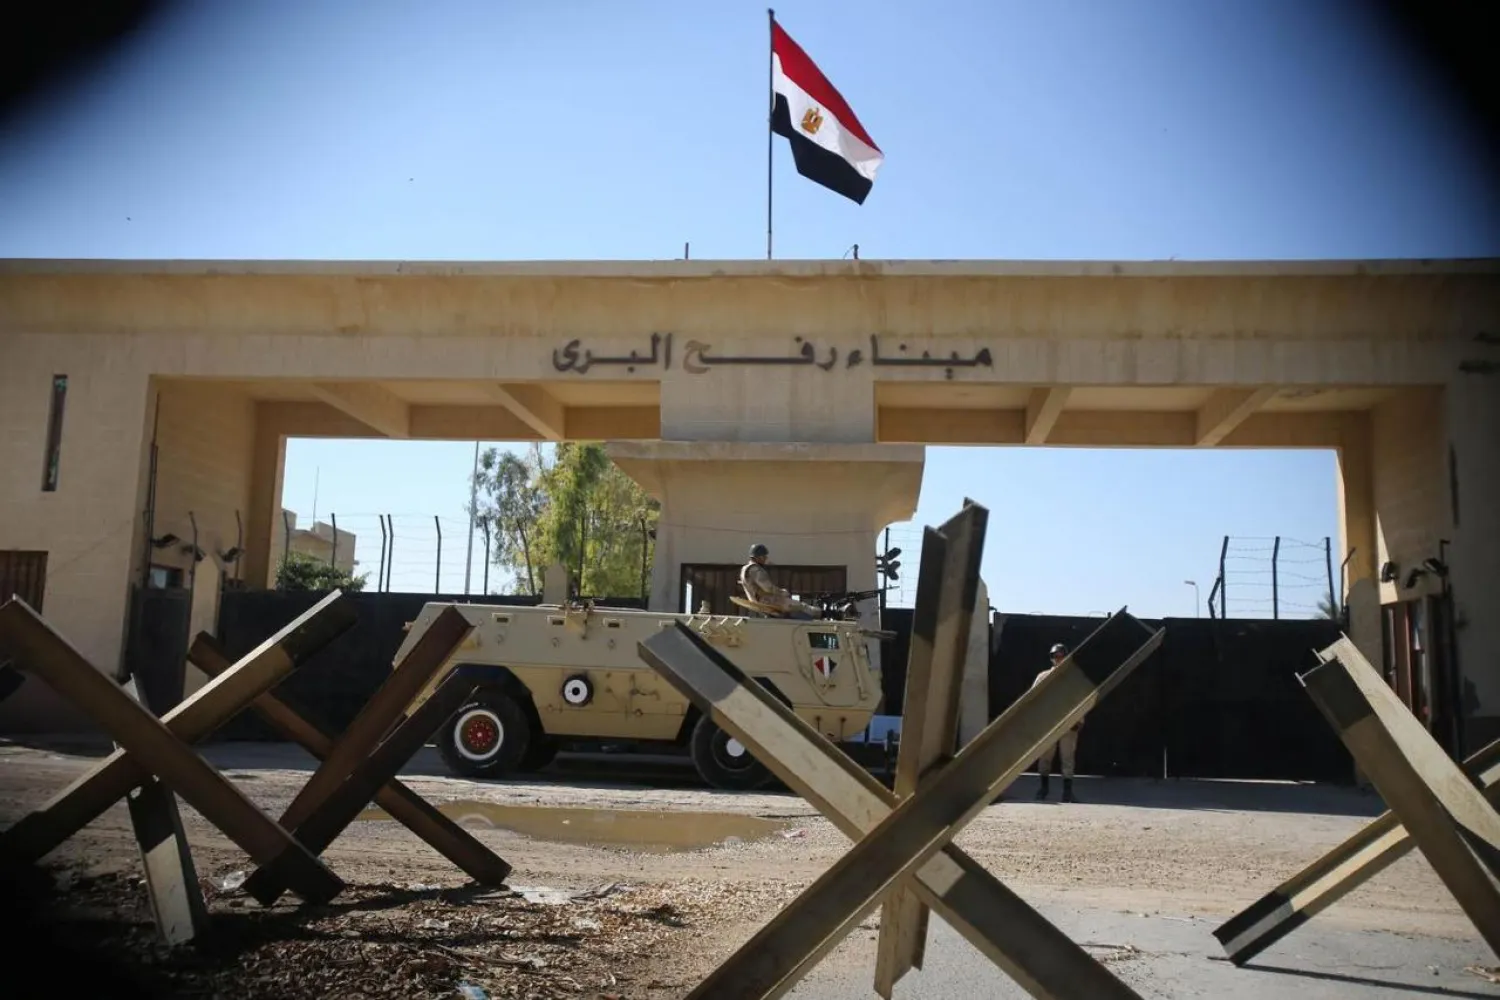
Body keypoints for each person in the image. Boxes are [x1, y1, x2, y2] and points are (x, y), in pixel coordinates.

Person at [1032, 642, 1084, 803]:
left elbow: (1081, 700)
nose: (1059, 659)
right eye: (1056, 656)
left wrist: (1079, 720)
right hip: (1048, 723)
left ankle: (1067, 792)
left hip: (1068, 722)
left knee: (1067, 757)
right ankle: (1043, 788)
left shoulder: (1073, 678)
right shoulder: (1042, 677)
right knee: (1045, 756)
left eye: (1061, 656)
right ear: (1051, 658)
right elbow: (1033, 699)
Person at [740, 543, 816, 620]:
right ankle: (822, 614)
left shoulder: (744, 569)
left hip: (758, 602)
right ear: (758, 557)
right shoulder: (755, 569)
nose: (766, 558)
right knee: (803, 607)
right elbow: (768, 588)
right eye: (764, 556)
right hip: (768, 601)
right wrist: (782, 592)